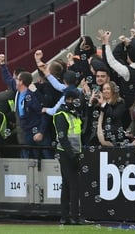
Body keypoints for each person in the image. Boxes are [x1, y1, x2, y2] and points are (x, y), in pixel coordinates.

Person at [54, 89, 85, 225]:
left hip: (73, 153)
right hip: (66, 153)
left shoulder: (73, 114)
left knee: (67, 185)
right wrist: (72, 155)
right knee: (74, 185)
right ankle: (74, 217)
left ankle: (65, 217)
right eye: (75, 100)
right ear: (69, 100)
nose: (77, 103)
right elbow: (63, 138)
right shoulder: (62, 115)